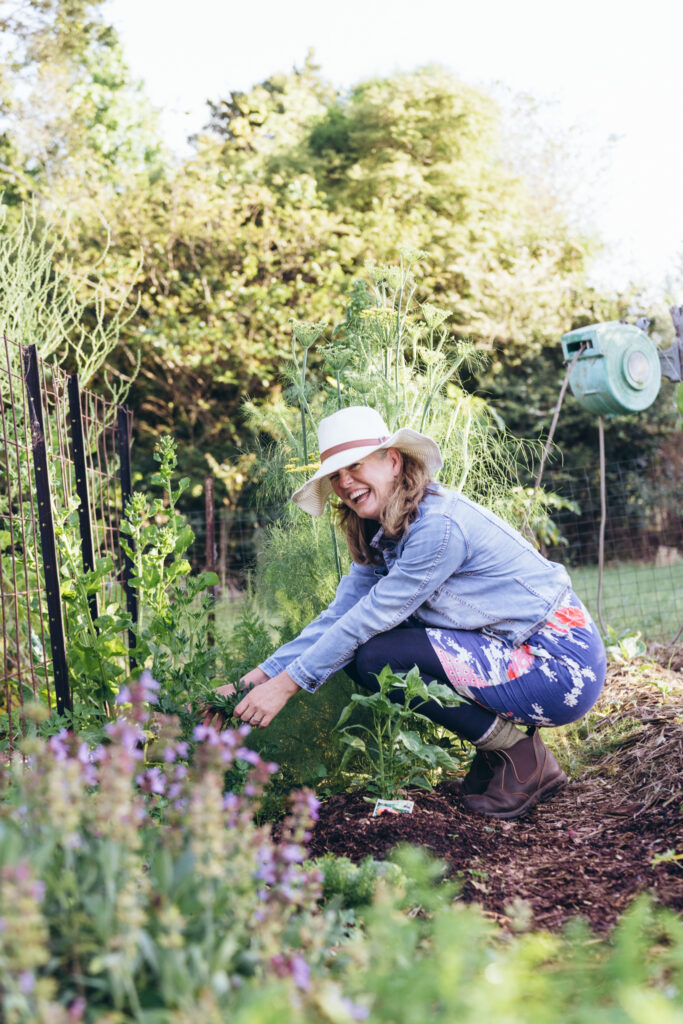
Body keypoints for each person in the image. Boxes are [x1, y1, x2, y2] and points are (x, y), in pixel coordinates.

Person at [209, 406, 606, 820]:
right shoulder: (381, 528)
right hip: (520, 654)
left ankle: (520, 756)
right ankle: (499, 755)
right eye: (335, 475)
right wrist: (247, 684)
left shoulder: (437, 527)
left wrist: (287, 686)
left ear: (393, 461)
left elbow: (368, 621)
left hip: (561, 667)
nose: (344, 483)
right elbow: (337, 619)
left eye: (355, 466)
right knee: (366, 655)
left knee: (379, 656)